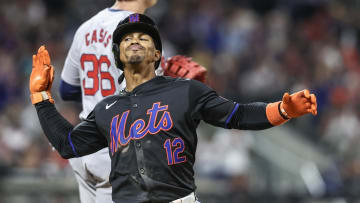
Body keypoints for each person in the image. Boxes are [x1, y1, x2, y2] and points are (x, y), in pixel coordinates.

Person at [30, 14, 317, 203]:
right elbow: (69, 145)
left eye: (143, 37)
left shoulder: (185, 90)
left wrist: (282, 110)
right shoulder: (107, 108)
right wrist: (41, 95)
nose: (134, 41)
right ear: (118, 55)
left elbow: (237, 115)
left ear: (157, 54)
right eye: (127, 39)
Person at [59, 1, 206, 202]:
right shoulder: (136, 31)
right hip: (119, 153)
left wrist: (100, 97)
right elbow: (147, 94)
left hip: (87, 149)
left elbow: (67, 90)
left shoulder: (86, 28)